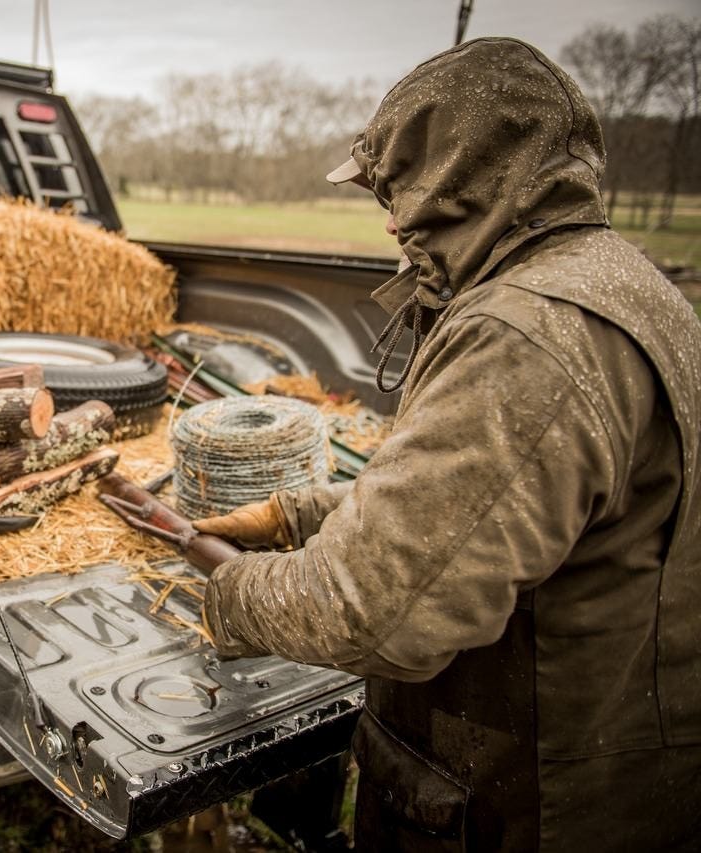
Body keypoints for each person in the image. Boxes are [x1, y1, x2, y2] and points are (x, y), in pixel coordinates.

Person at [195, 37, 701, 851]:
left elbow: (369, 609)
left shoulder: (527, 335)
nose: (392, 220)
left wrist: (223, 595)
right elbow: (490, 503)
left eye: (400, 190)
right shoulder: (625, 282)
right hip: (627, 763)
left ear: (467, 181)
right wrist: (297, 515)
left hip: (535, 806)